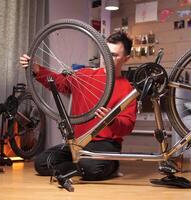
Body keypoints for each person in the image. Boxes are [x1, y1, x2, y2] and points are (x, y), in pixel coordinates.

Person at [19, 31, 137, 181]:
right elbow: (59, 82)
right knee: (41, 163)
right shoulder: (84, 75)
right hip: (77, 143)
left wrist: (111, 119)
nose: (106, 57)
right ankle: (82, 167)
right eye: (105, 52)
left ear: (126, 59)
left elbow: (127, 126)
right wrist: (36, 69)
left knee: (92, 168)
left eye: (113, 55)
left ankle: (107, 166)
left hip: (105, 144)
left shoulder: (128, 89)